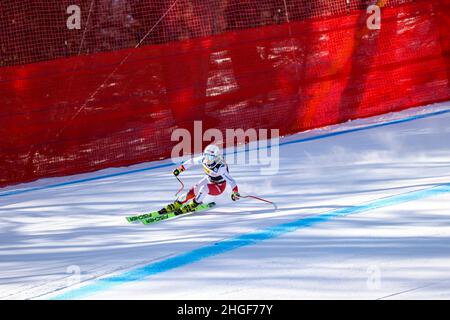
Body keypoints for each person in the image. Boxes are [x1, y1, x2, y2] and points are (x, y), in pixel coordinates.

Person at [159, 144, 240, 214]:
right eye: (206, 155)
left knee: (204, 188)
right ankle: (178, 203)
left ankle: (194, 204)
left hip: (219, 186)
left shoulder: (220, 167)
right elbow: (192, 161)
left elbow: (231, 181)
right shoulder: (203, 159)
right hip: (209, 179)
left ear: (215, 158)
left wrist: (235, 193)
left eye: (210, 157)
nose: (207, 159)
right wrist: (180, 169)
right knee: (193, 190)